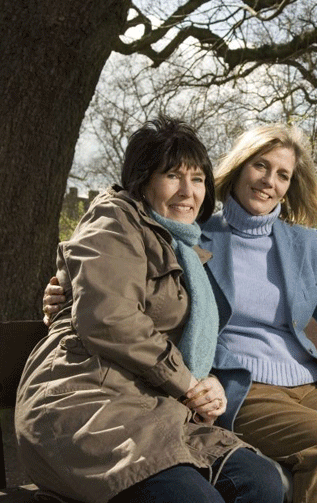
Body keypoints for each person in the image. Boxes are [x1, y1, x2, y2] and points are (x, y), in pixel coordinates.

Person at [44, 124, 317, 503]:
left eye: (283, 174)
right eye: (260, 166)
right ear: (240, 167)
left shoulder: (307, 245)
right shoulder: (193, 231)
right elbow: (127, 279)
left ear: (291, 185)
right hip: (242, 387)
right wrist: (65, 289)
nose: (269, 181)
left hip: (308, 386)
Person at [19, 116, 284, 503]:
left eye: (197, 179)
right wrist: (188, 383)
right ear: (143, 180)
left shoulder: (185, 248)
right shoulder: (113, 222)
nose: (188, 192)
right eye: (172, 176)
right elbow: (109, 318)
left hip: (156, 408)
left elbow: (187, 338)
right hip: (87, 400)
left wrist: (207, 382)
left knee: (262, 483)